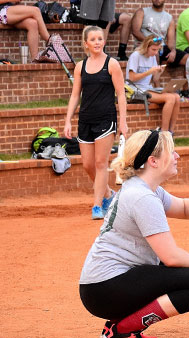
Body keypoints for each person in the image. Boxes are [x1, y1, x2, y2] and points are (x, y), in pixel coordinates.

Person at [79, 130, 189, 338]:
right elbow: (170, 257)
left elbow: (183, 207)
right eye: (171, 152)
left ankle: (122, 327)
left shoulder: (144, 188)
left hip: (104, 286)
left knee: (182, 272)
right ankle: (122, 330)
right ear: (153, 161)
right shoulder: (142, 197)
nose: (177, 156)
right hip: (105, 290)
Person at [64, 25, 128, 220]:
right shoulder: (80, 67)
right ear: (86, 44)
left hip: (105, 120)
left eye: (100, 39)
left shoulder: (112, 64)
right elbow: (75, 95)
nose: (97, 42)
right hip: (85, 120)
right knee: (87, 165)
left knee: (101, 163)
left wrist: (123, 121)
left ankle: (97, 206)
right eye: (93, 39)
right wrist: (68, 120)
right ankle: (108, 194)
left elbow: (121, 94)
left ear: (104, 41)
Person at [126, 35, 181, 133]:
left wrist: (159, 72)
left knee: (176, 97)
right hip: (134, 89)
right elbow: (131, 78)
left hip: (147, 88)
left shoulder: (153, 57)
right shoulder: (136, 56)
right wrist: (149, 72)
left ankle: (171, 132)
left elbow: (155, 79)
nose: (155, 52)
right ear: (146, 47)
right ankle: (164, 132)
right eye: (153, 49)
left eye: (157, 50)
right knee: (170, 98)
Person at [130, 0, 186, 67]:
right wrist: (152, 43)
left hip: (161, 47)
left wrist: (173, 51)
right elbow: (135, 32)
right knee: (154, 52)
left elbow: (171, 41)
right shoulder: (142, 12)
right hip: (144, 46)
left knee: (188, 59)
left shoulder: (169, 18)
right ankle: (155, 71)